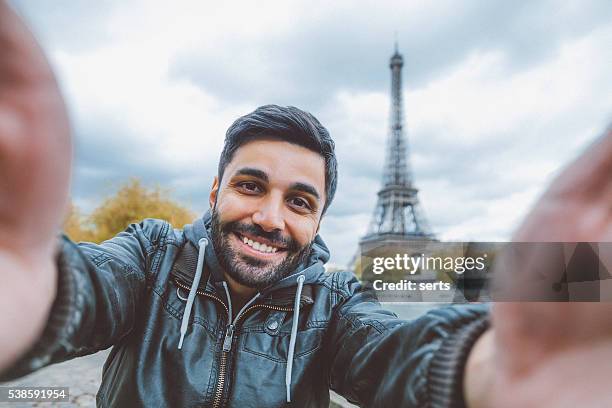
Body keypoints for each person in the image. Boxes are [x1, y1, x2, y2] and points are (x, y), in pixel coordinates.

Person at [1, 2, 612, 407]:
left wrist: (491, 370)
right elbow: (85, 288)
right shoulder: (151, 257)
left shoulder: (335, 303)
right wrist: (25, 286)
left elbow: (392, 354)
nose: (270, 217)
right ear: (215, 192)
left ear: (319, 220)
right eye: (250, 186)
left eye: (299, 200)